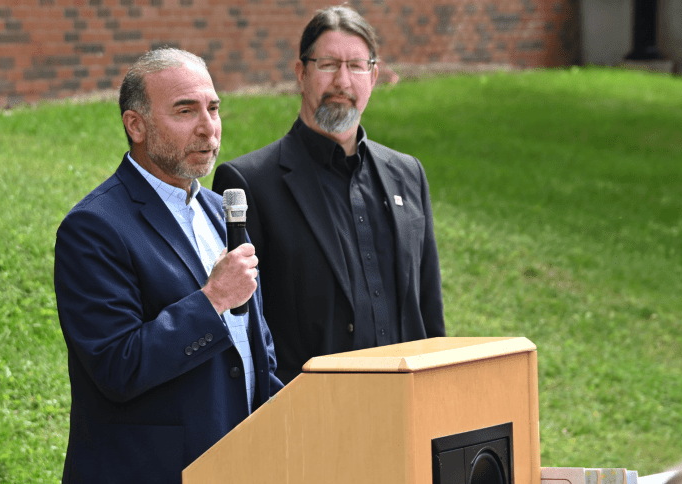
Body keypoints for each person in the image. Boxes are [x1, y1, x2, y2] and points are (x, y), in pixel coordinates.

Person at [54, 47, 283, 484]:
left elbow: (255, 345)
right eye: (185, 110)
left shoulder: (220, 211)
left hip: (239, 463)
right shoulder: (94, 227)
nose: (208, 127)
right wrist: (212, 300)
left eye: (213, 108)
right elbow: (116, 366)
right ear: (135, 125)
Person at [212, 5, 445, 385]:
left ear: (373, 76)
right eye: (328, 65)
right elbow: (241, 328)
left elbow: (429, 307)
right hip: (310, 406)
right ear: (301, 73)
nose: (342, 81)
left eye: (356, 66)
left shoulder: (408, 175)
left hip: (408, 400)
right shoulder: (250, 183)